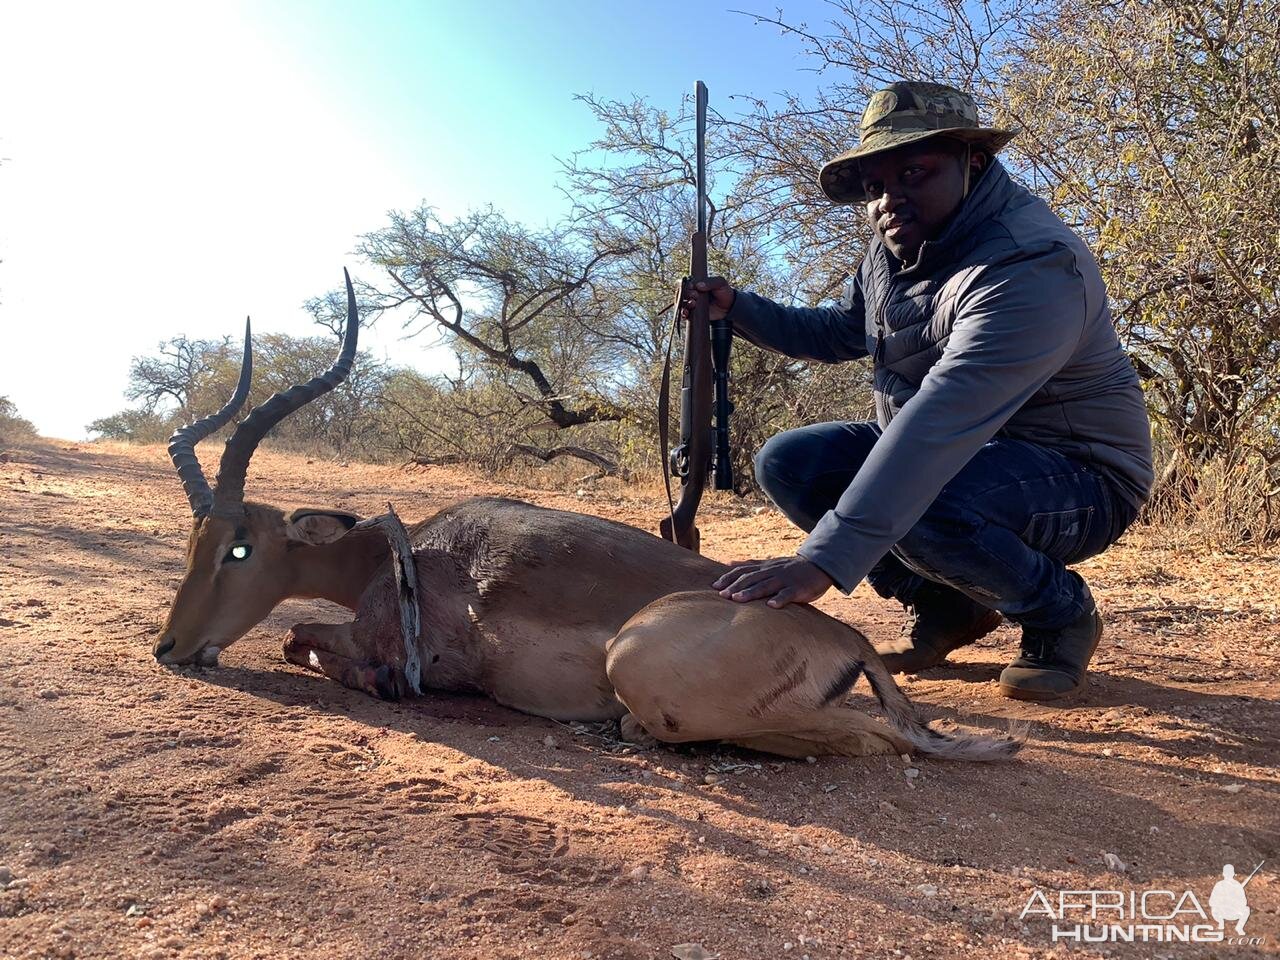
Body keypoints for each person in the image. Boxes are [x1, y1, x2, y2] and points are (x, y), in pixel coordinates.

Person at [695, 81, 1153, 701]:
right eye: (875, 186)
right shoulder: (893, 248)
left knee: (922, 495)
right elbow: (841, 332)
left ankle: (1058, 613)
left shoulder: (1029, 265)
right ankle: (946, 603)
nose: (890, 199)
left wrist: (824, 560)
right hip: (966, 459)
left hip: (1082, 479)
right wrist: (738, 310)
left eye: (914, 172)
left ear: (975, 162)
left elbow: (942, 419)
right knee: (791, 462)